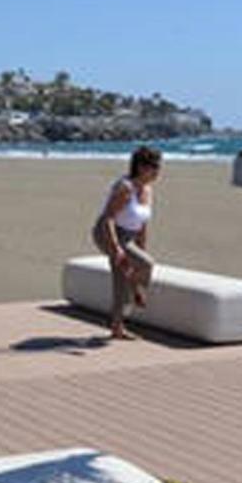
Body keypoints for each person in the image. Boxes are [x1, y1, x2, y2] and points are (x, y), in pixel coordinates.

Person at [92, 145, 161, 340]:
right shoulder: (125, 188)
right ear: (141, 167)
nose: (157, 172)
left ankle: (117, 327)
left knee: (122, 276)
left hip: (129, 236)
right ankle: (134, 291)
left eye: (158, 167)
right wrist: (115, 249)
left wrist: (140, 250)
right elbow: (108, 219)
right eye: (154, 167)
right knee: (146, 264)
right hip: (107, 233)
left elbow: (143, 225)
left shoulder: (148, 190)